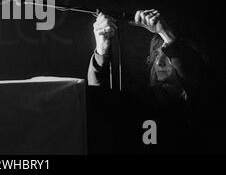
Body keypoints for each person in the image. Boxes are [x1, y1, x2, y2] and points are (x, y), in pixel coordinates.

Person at [87, 9, 207, 154]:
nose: (159, 63)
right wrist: (101, 49)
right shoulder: (142, 99)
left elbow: (198, 79)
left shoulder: (207, 103)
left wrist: (166, 34)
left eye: (168, 55)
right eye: (156, 54)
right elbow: (98, 99)